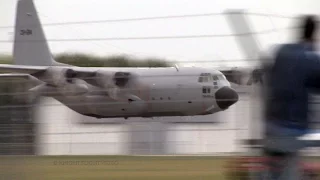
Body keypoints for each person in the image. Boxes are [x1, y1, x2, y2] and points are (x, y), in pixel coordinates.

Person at [262, 15, 320, 179]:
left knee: (275, 171)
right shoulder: (310, 57)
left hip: (271, 126)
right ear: (314, 35)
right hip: (293, 130)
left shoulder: (281, 52)